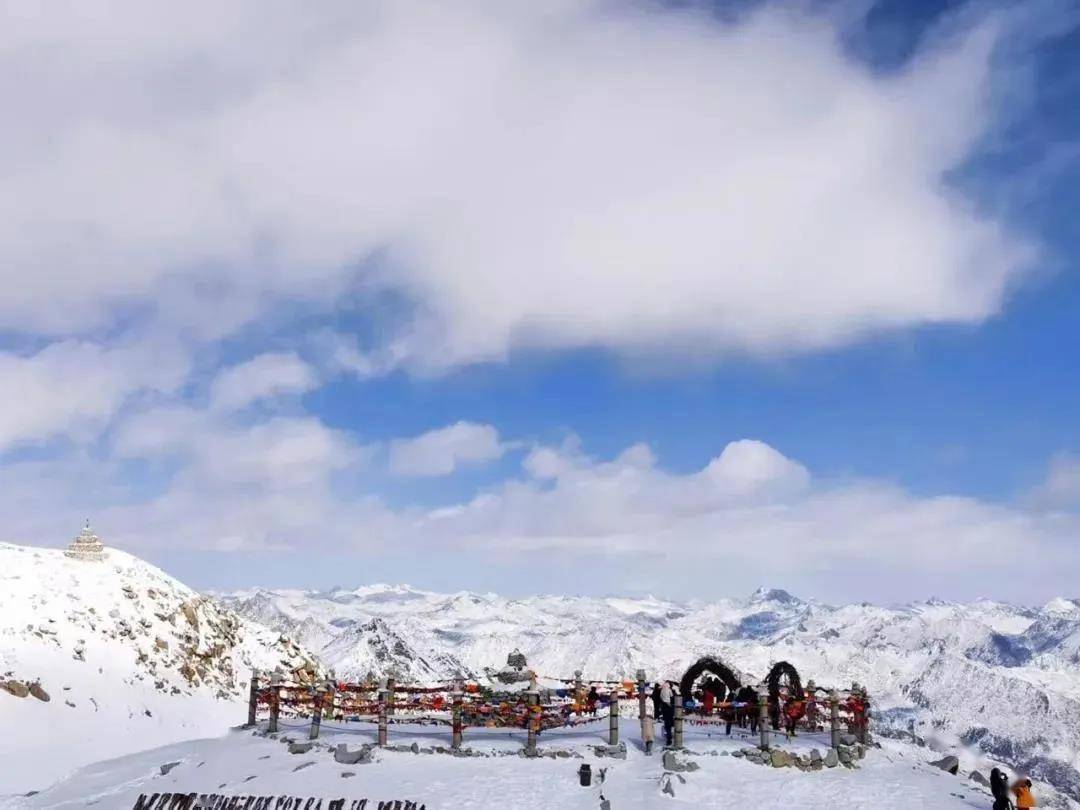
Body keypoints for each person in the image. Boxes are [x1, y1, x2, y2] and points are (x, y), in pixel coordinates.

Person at [659, 681, 675, 746]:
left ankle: (669, 738)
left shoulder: (662, 690)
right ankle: (671, 737)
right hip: (670, 707)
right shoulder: (669, 690)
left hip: (664, 708)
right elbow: (672, 697)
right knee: (671, 723)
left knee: (667, 724)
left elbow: (661, 698)